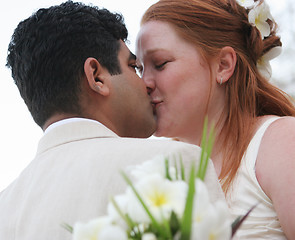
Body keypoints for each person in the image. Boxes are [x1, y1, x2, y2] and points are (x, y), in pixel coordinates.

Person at [0, 1, 225, 239]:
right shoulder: (171, 163)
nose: (146, 83)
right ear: (96, 76)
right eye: (133, 66)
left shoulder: (5, 206)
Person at [136, 0, 295, 239]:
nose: (144, 83)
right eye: (138, 69)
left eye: (160, 64)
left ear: (223, 65)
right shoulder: (159, 170)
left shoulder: (281, 142)